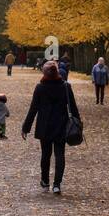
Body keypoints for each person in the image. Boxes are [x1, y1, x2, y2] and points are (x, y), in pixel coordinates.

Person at [21, 60, 81, 195]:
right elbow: (73, 108)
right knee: (60, 155)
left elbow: (33, 109)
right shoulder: (65, 86)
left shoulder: (40, 88)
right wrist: (78, 125)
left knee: (45, 155)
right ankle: (57, 184)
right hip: (61, 125)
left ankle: (45, 181)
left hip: (45, 126)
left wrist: (26, 127)